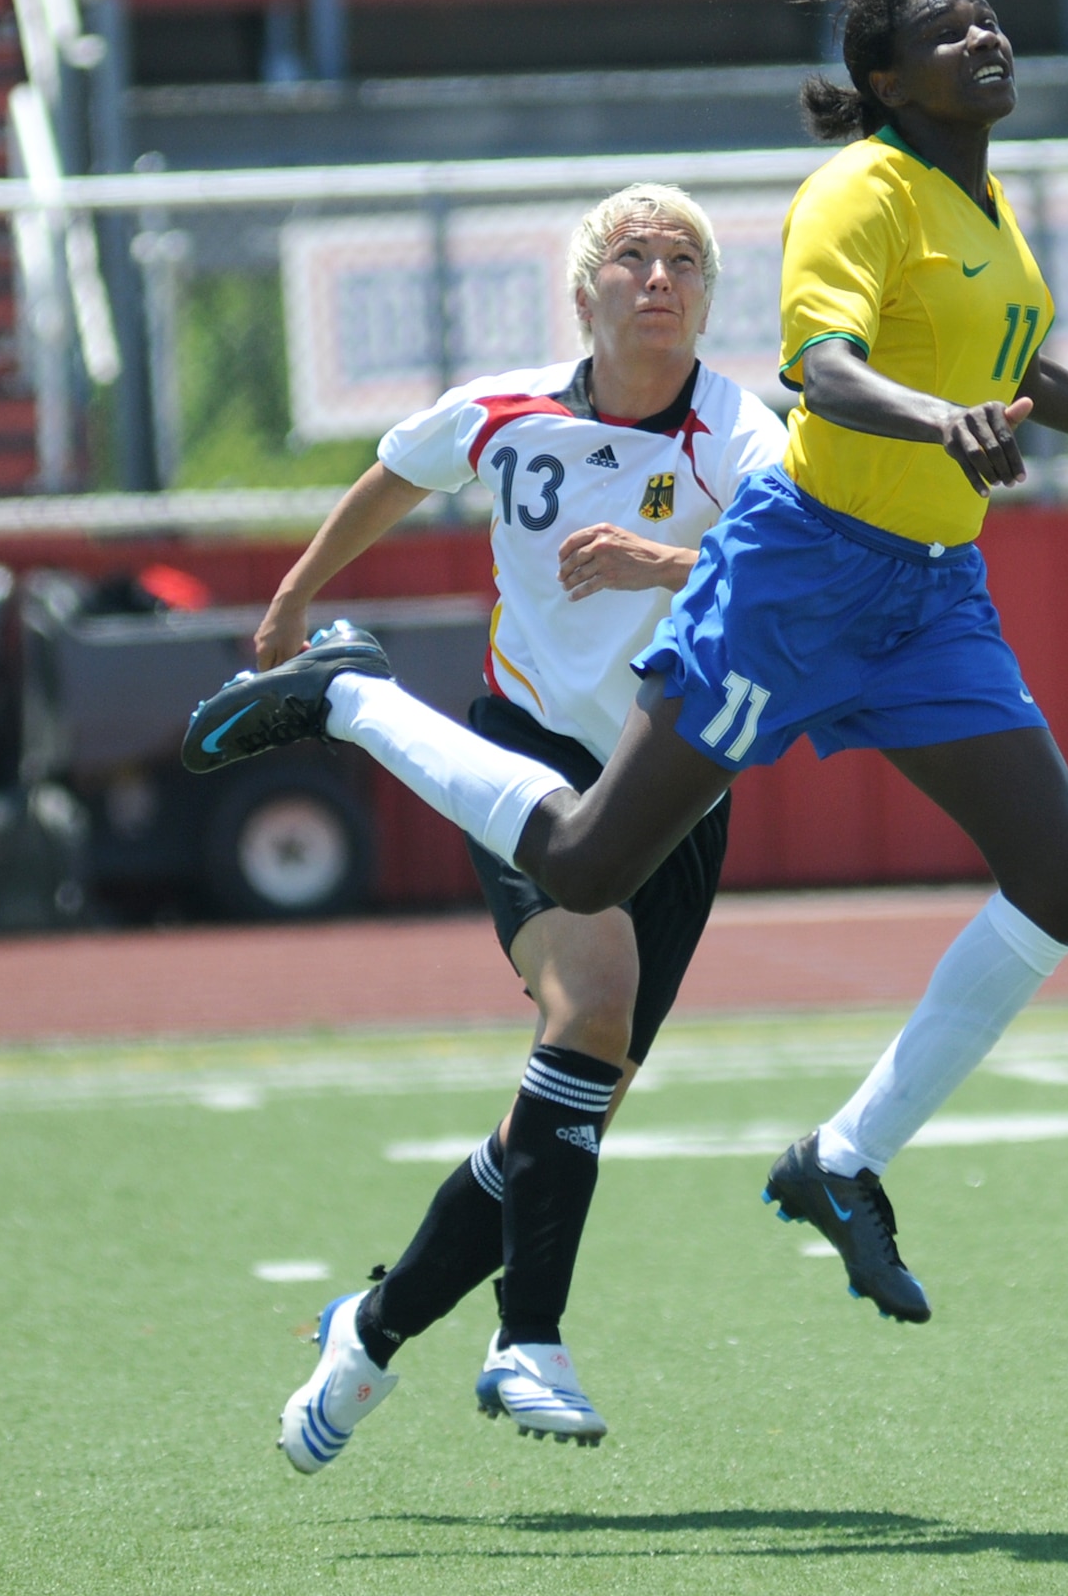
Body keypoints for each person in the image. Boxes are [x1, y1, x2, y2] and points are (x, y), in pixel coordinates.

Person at [188, 0, 1068, 1348]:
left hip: (932, 592)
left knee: (1062, 879)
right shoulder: (856, 191)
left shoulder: (984, 219)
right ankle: (356, 698)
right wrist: (945, 423)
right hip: (801, 571)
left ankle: (843, 1161)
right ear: (882, 74)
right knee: (581, 860)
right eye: (945, 30)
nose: (984, 37)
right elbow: (826, 370)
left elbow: (1014, 368)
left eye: (988, 17)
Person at [186, 183, 785, 1464]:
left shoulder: (739, 426)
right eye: (632, 257)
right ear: (585, 290)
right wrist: (293, 596)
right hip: (521, 746)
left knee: (561, 1120)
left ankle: (374, 1330)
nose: (660, 277)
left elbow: (796, 558)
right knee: (593, 996)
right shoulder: (507, 407)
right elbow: (397, 470)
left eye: (685, 258)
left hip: (673, 779)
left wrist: (660, 563)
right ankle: (530, 1337)